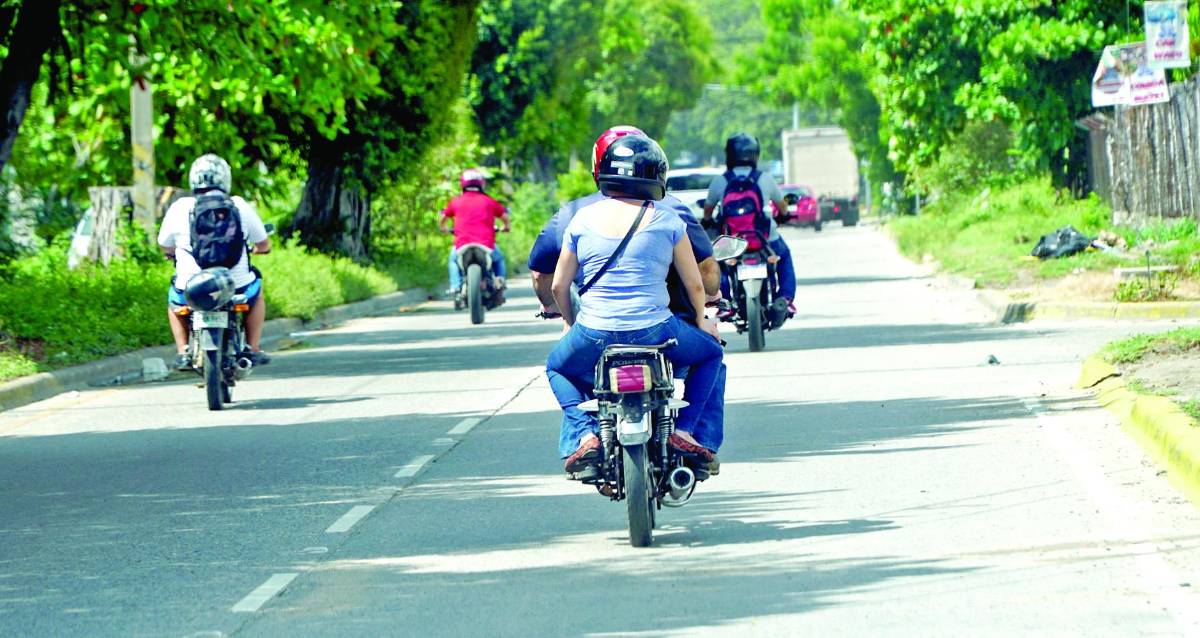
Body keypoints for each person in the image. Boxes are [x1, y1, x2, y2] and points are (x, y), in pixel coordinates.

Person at [528, 125, 729, 462]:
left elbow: (559, 285)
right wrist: (701, 320)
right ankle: (686, 432)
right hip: (657, 331)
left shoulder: (579, 218)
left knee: (557, 368)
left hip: (594, 332)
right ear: (657, 176)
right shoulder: (668, 218)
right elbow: (696, 283)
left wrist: (572, 321)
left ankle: (583, 433)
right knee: (711, 355)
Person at [159, 154, 271, 370]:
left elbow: (164, 243)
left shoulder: (180, 207)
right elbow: (263, 243)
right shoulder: (238, 204)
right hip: (236, 285)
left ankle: (183, 351)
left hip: (190, 286)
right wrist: (259, 250)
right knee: (256, 293)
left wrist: (172, 253)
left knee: (175, 302)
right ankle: (253, 348)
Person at [703, 132, 798, 318]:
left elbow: (708, 210)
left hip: (732, 241)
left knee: (718, 263)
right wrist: (785, 215)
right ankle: (786, 299)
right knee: (784, 256)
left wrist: (708, 221)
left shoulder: (720, 181)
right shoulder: (765, 178)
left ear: (729, 154)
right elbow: (782, 206)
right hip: (764, 238)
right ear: (755, 153)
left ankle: (723, 302)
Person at [439, 168, 510, 296]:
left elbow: (443, 218)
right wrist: (506, 227)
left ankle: (455, 286)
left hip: (462, 246)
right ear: (481, 183)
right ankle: (500, 281)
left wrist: (443, 228)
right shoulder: (489, 201)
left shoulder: (456, 201)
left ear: (463, 184)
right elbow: (505, 218)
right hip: (486, 245)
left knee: (453, 260)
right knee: (499, 259)